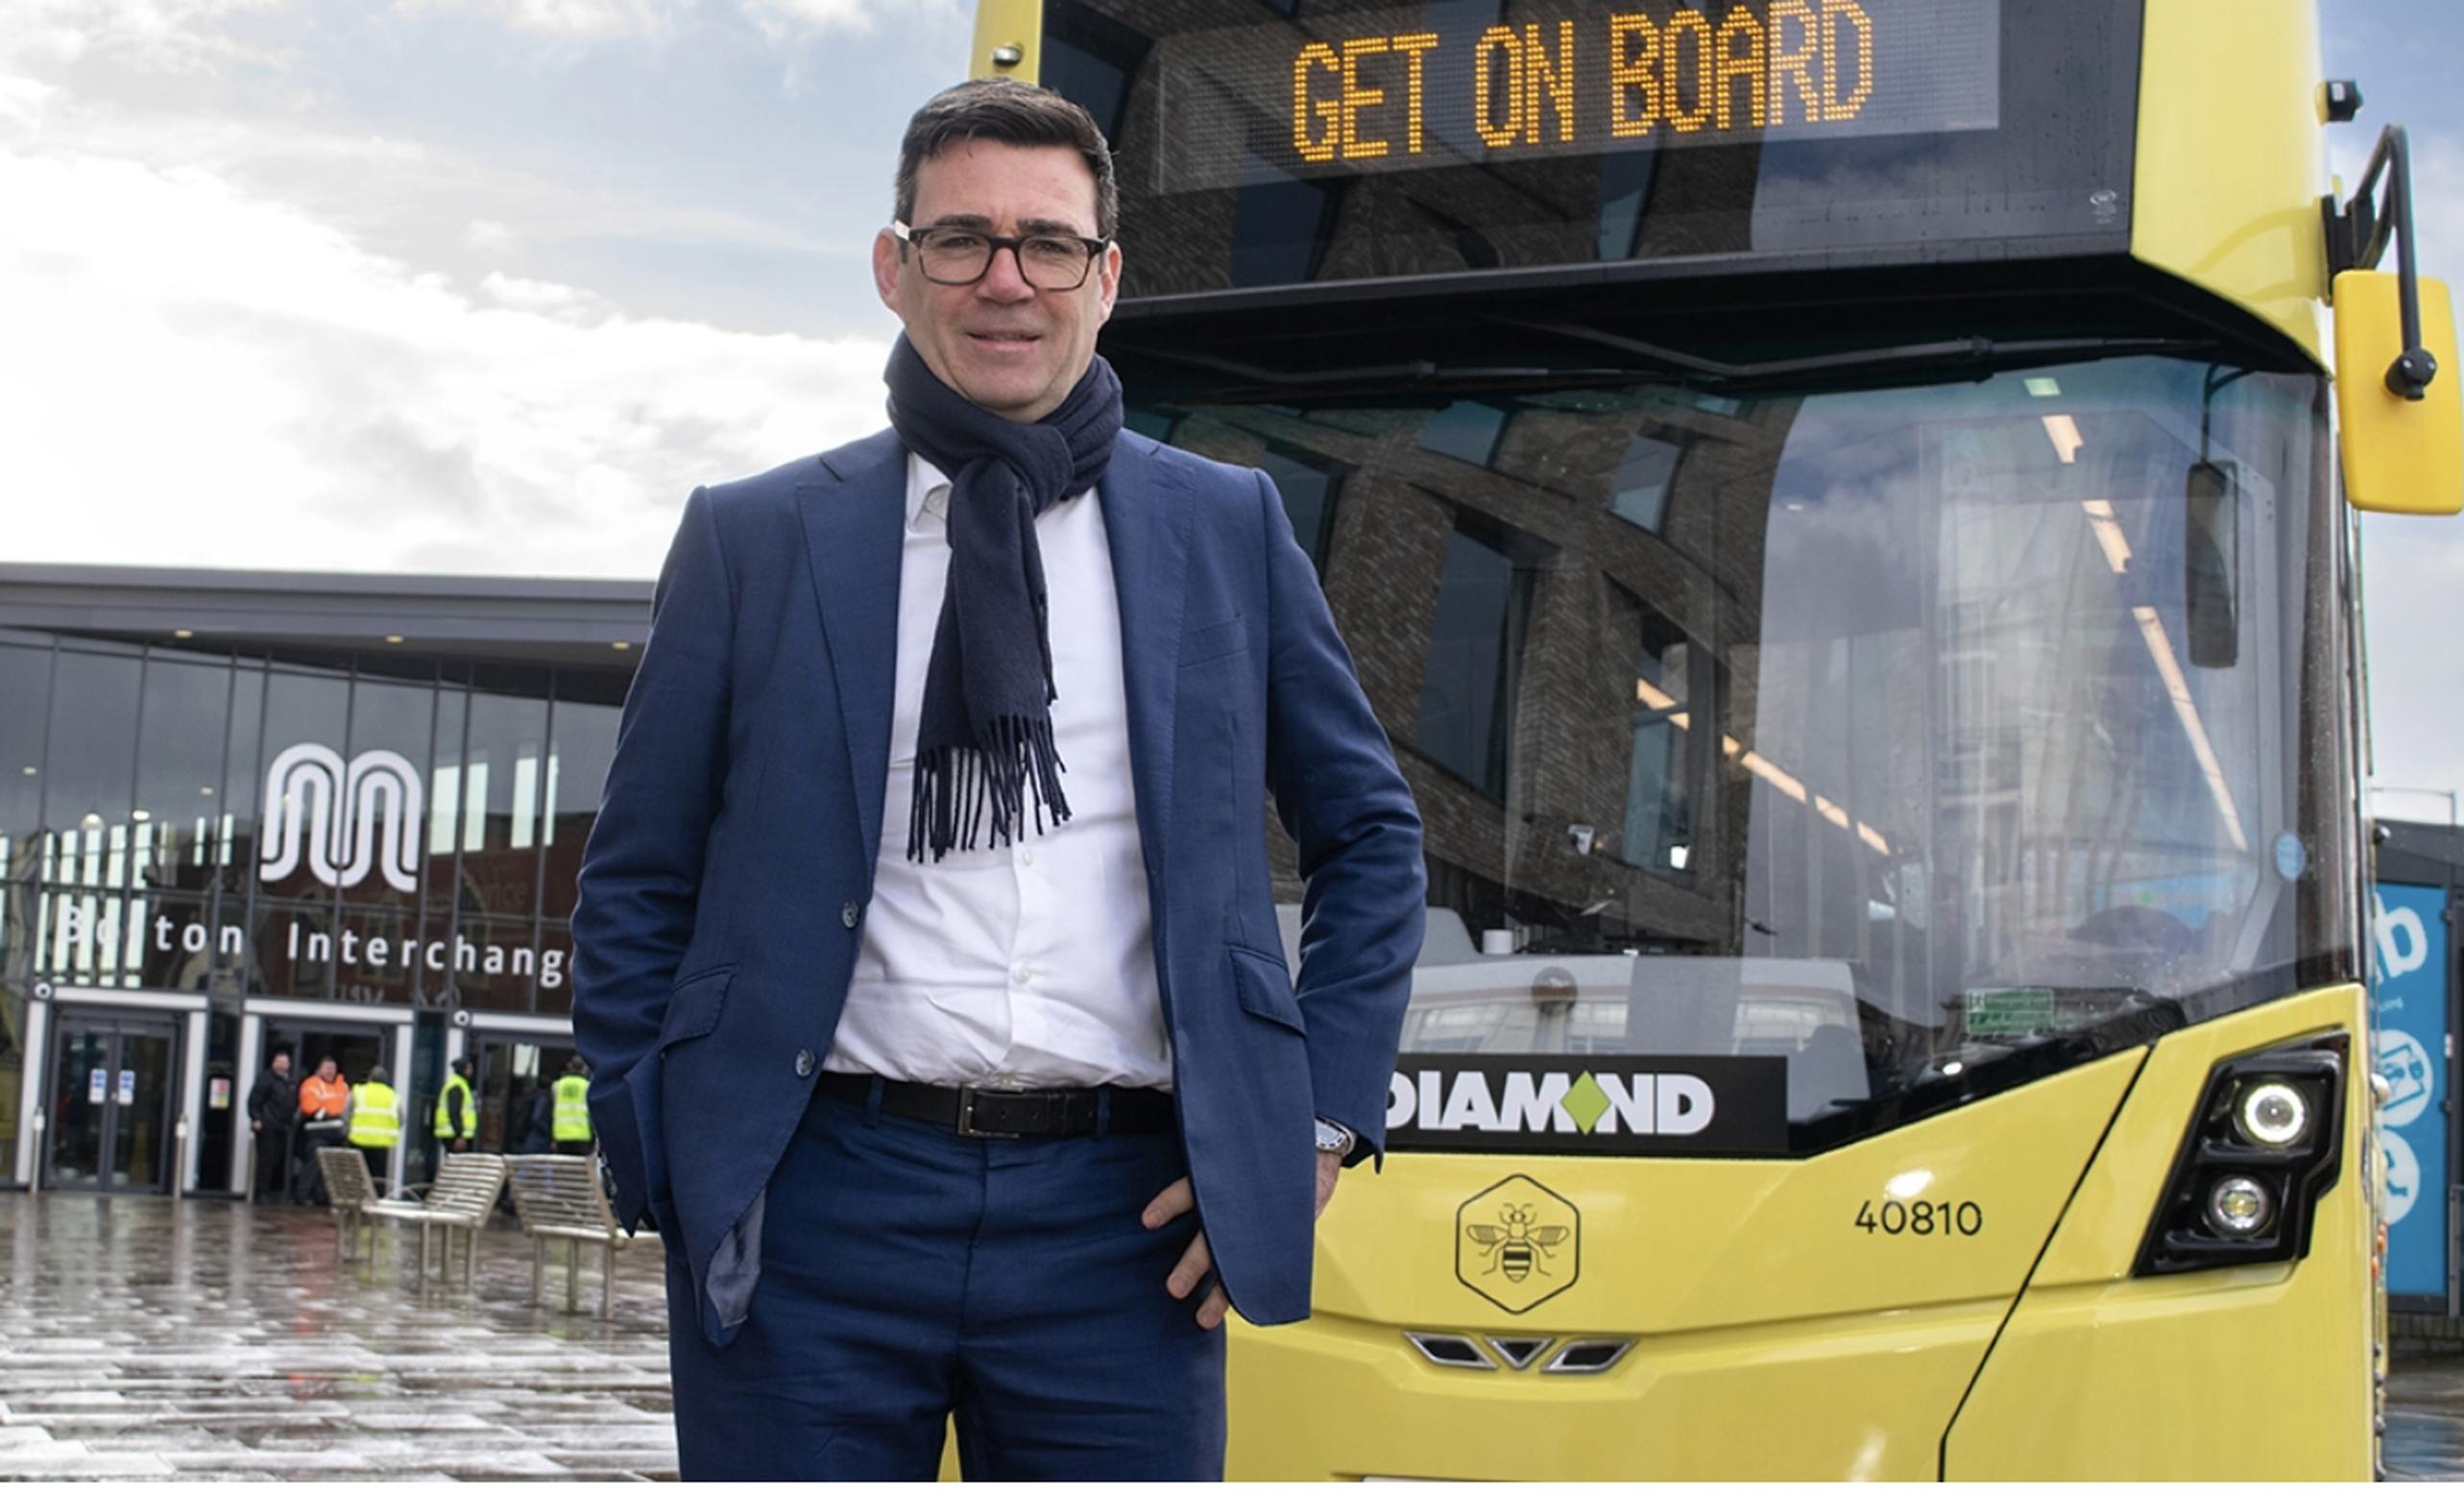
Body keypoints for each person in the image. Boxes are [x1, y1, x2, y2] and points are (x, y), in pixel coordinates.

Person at [570, 79, 1424, 1481]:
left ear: (1107, 278)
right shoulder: (754, 537)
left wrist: (1310, 1129)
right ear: (894, 269)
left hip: (1124, 1220)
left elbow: (1371, 837)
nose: (1005, 281)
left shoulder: (1224, 529)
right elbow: (641, 869)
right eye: (962, 240)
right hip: (812, 1205)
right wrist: (656, 1132)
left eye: (1048, 244)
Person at [293, 1055, 349, 1206]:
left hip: (337, 1131)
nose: (330, 1071)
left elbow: (347, 1106)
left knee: (333, 1166)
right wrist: (328, 1115)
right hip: (317, 1130)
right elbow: (309, 1105)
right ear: (319, 1069)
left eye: (333, 1068)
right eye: (327, 1068)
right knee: (314, 1163)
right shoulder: (312, 1084)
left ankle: (323, 1196)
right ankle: (302, 1196)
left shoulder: (342, 1085)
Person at [244, 1048, 297, 1203]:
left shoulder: (289, 1081)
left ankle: (270, 1190)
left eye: (285, 1062)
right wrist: (256, 1118)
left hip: (283, 1126)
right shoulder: (266, 1079)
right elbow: (254, 1100)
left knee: (275, 1159)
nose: (282, 1065)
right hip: (268, 1125)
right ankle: (261, 1192)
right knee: (266, 1159)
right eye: (279, 1061)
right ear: (273, 1063)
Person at [345, 1064, 401, 1191]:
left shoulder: (358, 1091)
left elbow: (346, 1114)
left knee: (358, 1175)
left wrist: (346, 1131)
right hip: (382, 1142)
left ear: (369, 1078)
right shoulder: (393, 1096)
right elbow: (401, 1119)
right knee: (378, 1176)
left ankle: (359, 1199)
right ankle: (377, 1201)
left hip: (358, 1140)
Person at [433, 1056, 477, 1172]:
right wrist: (460, 1135)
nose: (471, 1071)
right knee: (455, 1168)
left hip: (454, 1134)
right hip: (454, 1135)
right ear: (462, 1069)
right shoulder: (456, 1086)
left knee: (456, 1166)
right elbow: (454, 1112)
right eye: (468, 1068)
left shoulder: (459, 1084)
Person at [550, 1055, 593, 1156]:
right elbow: (592, 1115)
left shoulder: (557, 1086)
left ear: (569, 1066)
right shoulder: (587, 1087)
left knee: (563, 1169)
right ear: (585, 1068)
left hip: (561, 1135)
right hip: (582, 1136)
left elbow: (552, 1113)